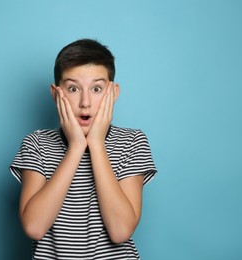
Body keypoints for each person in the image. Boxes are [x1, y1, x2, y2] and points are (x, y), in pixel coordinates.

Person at [10, 39, 157, 259]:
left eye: (97, 89)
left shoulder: (132, 142)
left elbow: (120, 231)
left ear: (113, 93)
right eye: (73, 88)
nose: (85, 102)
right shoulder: (37, 144)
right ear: (55, 93)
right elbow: (34, 227)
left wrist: (96, 144)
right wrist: (76, 147)